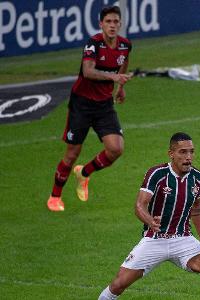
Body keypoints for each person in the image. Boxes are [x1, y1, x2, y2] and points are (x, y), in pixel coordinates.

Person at [98, 132, 200, 300]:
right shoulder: (157, 174)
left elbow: (196, 207)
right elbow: (140, 205)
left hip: (183, 239)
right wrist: (150, 221)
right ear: (171, 154)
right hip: (154, 239)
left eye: (191, 151)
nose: (188, 157)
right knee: (118, 284)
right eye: (183, 152)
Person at [47, 6, 132, 211]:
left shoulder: (125, 45)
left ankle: (84, 173)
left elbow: (124, 64)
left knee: (116, 149)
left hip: (104, 105)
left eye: (115, 22)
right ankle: (55, 196)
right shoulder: (93, 44)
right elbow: (87, 71)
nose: (112, 25)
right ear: (101, 24)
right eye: (108, 22)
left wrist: (120, 87)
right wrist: (112, 77)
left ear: (120, 24)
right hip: (82, 104)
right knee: (72, 153)